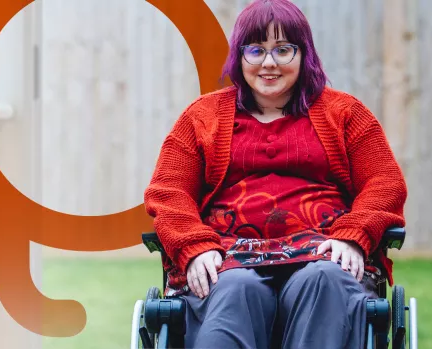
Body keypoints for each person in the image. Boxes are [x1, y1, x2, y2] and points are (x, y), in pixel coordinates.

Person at [143, 0, 408, 348]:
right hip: (228, 256)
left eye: (283, 49)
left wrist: (353, 234)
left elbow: (384, 182)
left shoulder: (345, 113)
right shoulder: (202, 117)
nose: (269, 63)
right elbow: (168, 191)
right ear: (239, 56)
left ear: (304, 54)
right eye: (256, 50)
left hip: (323, 251)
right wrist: (193, 245)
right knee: (235, 288)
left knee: (324, 281)